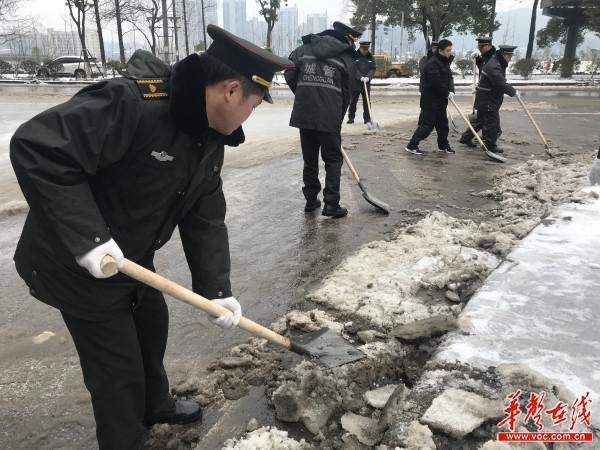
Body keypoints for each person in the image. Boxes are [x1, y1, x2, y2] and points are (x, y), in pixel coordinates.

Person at [10, 25, 292, 449]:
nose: (250, 116)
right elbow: (37, 146)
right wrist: (88, 239)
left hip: (130, 258)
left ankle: (155, 404)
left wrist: (216, 289)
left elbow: (205, 217)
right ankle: (125, 438)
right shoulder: (132, 104)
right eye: (253, 106)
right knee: (117, 370)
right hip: (74, 259)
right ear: (231, 91)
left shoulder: (209, 133)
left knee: (151, 323)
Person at [285, 21, 360, 218]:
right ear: (348, 39)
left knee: (309, 158)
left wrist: (303, 94)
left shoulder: (303, 50)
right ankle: (331, 204)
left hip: (305, 113)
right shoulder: (346, 58)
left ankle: (311, 201)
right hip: (329, 116)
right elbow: (347, 93)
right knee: (333, 160)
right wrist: (337, 116)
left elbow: (289, 72)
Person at [405, 39, 455, 155]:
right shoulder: (433, 63)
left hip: (440, 101)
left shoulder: (444, 62)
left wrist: (451, 90)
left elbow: (449, 78)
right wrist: (446, 93)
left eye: (450, 50)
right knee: (427, 126)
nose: (449, 53)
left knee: (443, 125)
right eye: (448, 50)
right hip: (430, 101)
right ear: (440, 50)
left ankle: (443, 146)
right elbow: (435, 81)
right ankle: (412, 145)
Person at [473, 44, 519, 154]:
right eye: (509, 56)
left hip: (489, 98)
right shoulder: (494, 65)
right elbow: (500, 82)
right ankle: (491, 146)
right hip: (487, 99)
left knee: (485, 122)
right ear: (504, 54)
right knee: (492, 124)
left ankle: (467, 138)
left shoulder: (498, 62)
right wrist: (513, 92)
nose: (510, 58)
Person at [459, 36, 497, 148]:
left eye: (482, 46)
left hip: (490, 92)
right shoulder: (486, 57)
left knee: (483, 119)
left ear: (489, 45)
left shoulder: (494, 58)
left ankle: (469, 137)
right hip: (485, 93)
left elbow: (490, 73)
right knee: (488, 120)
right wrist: (478, 60)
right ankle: (490, 143)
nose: (480, 48)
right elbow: (483, 70)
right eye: (479, 46)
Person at [347, 41, 376, 124]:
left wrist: (368, 77)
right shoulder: (354, 56)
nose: (365, 51)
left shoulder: (370, 57)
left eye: (367, 49)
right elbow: (353, 68)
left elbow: (373, 68)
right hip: (355, 83)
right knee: (353, 101)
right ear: (360, 48)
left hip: (366, 84)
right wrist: (360, 77)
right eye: (364, 49)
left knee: (367, 102)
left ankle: (367, 119)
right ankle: (351, 118)